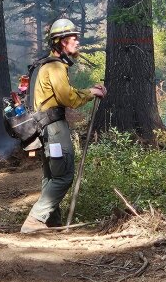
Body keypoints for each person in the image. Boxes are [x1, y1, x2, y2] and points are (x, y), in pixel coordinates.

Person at [20, 19, 106, 233]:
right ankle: (35, 220)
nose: (77, 41)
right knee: (64, 176)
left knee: (51, 176)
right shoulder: (55, 66)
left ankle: (51, 222)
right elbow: (67, 97)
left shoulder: (43, 65)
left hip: (43, 128)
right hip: (54, 128)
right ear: (60, 42)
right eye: (72, 38)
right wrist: (91, 93)